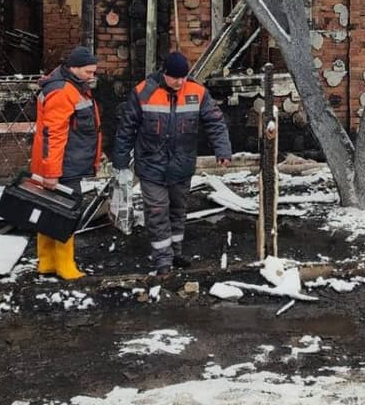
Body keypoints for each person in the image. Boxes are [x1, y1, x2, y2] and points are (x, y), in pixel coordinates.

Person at [113, 51, 232, 275]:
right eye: (174, 77)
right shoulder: (143, 93)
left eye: (183, 77)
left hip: (181, 165)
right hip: (151, 165)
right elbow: (126, 128)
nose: (179, 82)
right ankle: (163, 260)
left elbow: (215, 122)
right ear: (164, 74)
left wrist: (223, 150)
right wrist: (120, 161)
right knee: (157, 211)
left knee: (178, 210)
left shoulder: (197, 92)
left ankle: (175, 251)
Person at [29, 46, 102, 280]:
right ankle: (64, 265)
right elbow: (54, 134)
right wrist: (52, 172)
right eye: (88, 72)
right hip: (63, 166)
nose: (92, 76)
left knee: (50, 210)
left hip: (61, 163)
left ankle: (47, 262)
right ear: (74, 68)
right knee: (66, 213)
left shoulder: (66, 86)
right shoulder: (63, 91)